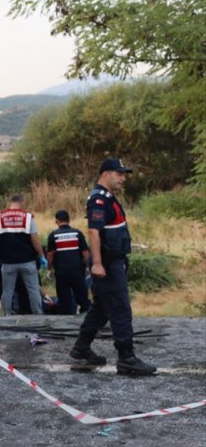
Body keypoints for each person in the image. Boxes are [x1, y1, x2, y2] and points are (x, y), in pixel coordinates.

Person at [69, 159, 156, 375]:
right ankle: (126, 358)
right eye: (119, 174)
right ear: (106, 174)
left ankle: (81, 347)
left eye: (124, 174)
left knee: (101, 307)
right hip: (106, 263)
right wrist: (98, 263)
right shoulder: (98, 199)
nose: (123, 178)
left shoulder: (108, 197)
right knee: (120, 308)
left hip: (113, 260)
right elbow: (93, 232)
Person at [0, 194, 46, 315]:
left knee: (7, 291)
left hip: (8, 262)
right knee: (33, 289)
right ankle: (38, 315)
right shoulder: (28, 217)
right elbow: (35, 239)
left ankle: (7, 315)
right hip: (28, 260)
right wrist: (41, 255)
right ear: (22, 202)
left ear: (10, 202)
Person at [46, 209, 91, 315]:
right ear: (69, 220)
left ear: (57, 221)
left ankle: (66, 316)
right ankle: (85, 314)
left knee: (64, 298)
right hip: (77, 270)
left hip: (61, 272)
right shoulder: (77, 233)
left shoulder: (53, 235)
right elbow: (85, 252)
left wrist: (49, 269)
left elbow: (50, 255)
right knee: (82, 295)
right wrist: (88, 266)